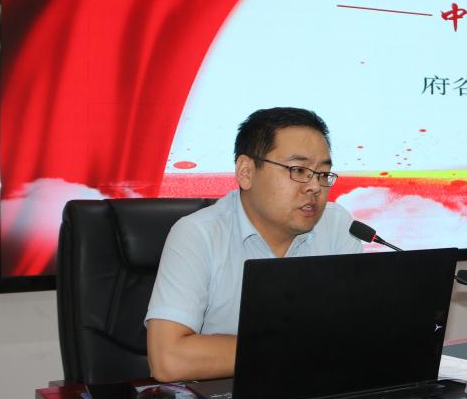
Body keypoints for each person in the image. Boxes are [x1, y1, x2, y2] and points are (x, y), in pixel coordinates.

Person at [145, 107, 362, 381]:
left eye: (323, 174)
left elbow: (356, 336)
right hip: (227, 395)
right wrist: (299, 348)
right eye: (298, 170)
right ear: (246, 172)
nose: (315, 187)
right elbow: (169, 360)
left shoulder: (338, 226)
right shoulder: (198, 234)